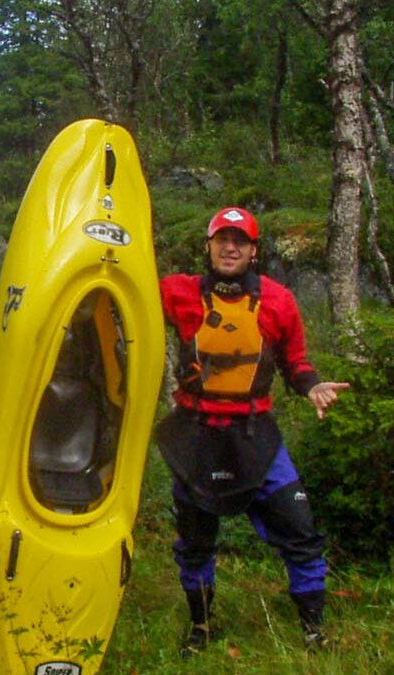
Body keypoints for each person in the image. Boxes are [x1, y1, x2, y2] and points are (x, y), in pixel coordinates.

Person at [154, 206, 349, 658]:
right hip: (196, 434)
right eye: (222, 239)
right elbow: (125, 296)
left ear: (253, 251)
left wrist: (313, 385)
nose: (229, 247)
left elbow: (295, 362)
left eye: (239, 241)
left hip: (254, 433)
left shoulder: (278, 301)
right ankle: (200, 627)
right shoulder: (177, 293)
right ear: (208, 246)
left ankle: (313, 628)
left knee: (300, 530)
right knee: (195, 541)